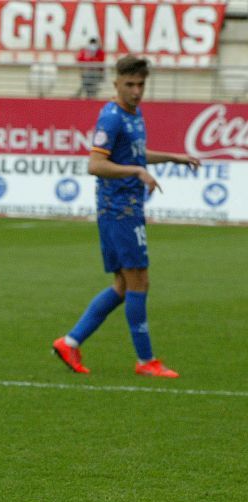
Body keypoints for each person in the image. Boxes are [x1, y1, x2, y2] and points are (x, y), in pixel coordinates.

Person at [53, 55, 199, 378]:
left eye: (141, 85)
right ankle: (146, 361)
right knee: (139, 281)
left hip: (129, 210)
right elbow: (95, 164)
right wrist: (137, 171)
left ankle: (70, 341)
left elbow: (134, 154)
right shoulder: (112, 119)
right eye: (129, 84)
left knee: (122, 285)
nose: (136, 91)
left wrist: (172, 158)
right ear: (116, 83)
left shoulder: (135, 115)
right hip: (119, 212)